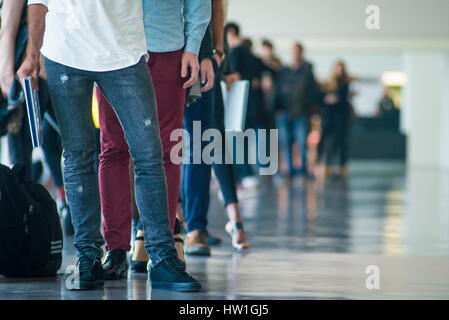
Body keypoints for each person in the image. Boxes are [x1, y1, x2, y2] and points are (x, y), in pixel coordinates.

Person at [18, 0, 201, 292]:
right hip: (65, 51)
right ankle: (88, 258)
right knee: (78, 156)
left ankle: (162, 257)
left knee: (149, 155)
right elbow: (38, 1)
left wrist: (192, 43)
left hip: (123, 53)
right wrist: (32, 54)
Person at [95, 0, 211, 277]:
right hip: (113, 50)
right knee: (113, 149)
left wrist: (193, 47)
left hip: (165, 48)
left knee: (167, 151)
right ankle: (116, 249)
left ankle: (162, 250)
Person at [180, 1, 251, 256]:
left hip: (202, 57)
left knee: (204, 144)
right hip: (166, 52)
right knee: (195, 144)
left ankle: (195, 226)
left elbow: (214, 6)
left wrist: (216, 54)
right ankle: (186, 225)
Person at [0, 0, 72, 234]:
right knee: (73, 145)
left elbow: (8, 26)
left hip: (35, 70)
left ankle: (25, 226)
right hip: (54, 66)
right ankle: (64, 211)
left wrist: (6, 69)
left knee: (22, 152)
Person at [226, 22, 273, 189]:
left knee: (238, 141)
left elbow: (235, 76)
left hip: (241, 106)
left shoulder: (237, 52)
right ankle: (244, 176)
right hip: (250, 107)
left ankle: (243, 176)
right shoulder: (251, 55)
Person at [273, 42, 320, 178]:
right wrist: (277, 108)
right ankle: (290, 170)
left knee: (301, 141)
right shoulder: (285, 71)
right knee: (285, 141)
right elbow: (278, 91)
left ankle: (303, 169)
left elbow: (312, 92)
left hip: (301, 112)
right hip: (284, 112)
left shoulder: (307, 72)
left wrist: (311, 110)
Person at [317, 60, 352, 178]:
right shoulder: (329, 84)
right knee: (328, 144)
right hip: (329, 119)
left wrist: (333, 99)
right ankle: (327, 167)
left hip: (341, 119)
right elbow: (323, 99)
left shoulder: (345, 84)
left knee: (341, 144)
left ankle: (341, 169)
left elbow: (340, 99)